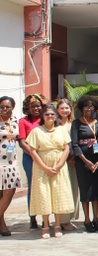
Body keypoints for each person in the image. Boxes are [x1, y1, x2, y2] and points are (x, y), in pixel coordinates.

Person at [27, 105, 74, 239]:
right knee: (44, 195)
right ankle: (46, 226)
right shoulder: (36, 131)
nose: (50, 117)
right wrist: (45, 167)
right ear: (42, 116)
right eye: (47, 114)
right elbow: (32, 151)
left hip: (59, 165)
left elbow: (66, 149)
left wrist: (59, 165)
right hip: (42, 166)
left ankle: (57, 224)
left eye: (52, 114)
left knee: (58, 194)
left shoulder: (61, 130)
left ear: (56, 116)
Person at [71, 95, 98, 233]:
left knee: (96, 191)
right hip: (82, 162)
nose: (88, 109)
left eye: (91, 107)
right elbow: (74, 144)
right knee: (85, 191)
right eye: (86, 107)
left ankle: (96, 218)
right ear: (81, 108)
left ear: (95, 108)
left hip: (97, 162)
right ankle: (87, 219)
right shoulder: (77, 124)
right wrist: (86, 161)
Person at [18, 93, 48, 229]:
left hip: (45, 157)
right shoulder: (23, 121)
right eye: (33, 107)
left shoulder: (45, 120)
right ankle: (32, 217)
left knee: (44, 187)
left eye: (38, 106)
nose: (36, 109)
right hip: (30, 158)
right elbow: (22, 142)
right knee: (33, 186)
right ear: (27, 108)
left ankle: (45, 217)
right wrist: (33, 154)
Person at [55, 98, 79, 232]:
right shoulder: (54, 124)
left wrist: (73, 157)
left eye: (67, 108)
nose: (65, 110)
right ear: (57, 110)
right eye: (62, 108)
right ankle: (62, 220)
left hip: (73, 161)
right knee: (61, 190)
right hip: (59, 161)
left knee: (73, 189)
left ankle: (69, 218)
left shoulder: (74, 124)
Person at [0, 96, 21, 236]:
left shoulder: (15, 121)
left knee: (9, 192)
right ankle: (2, 224)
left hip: (12, 162)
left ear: (12, 108)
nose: (4, 109)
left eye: (7, 106)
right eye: (2, 106)